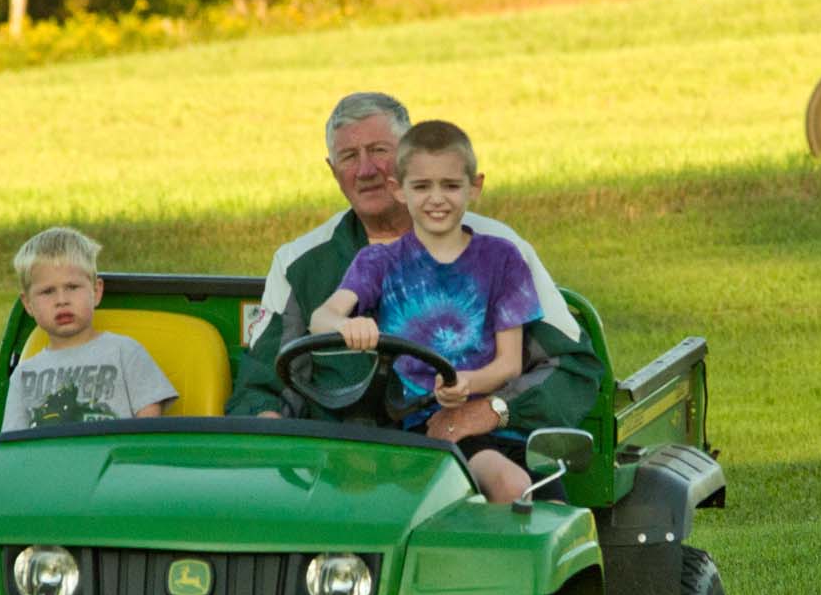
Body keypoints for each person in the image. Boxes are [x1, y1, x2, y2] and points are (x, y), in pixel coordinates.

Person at [224, 92, 599, 440]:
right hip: (336, 463)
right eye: (349, 156)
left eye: (379, 151)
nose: (365, 170)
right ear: (332, 169)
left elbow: (572, 369)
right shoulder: (300, 262)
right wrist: (269, 432)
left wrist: (486, 412)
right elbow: (262, 389)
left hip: (461, 455)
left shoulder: (499, 251)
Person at [311, 120, 538, 502]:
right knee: (509, 485)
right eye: (421, 187)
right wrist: (347, 325)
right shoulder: (379, 262)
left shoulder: (502, 258)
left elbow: (509, 364)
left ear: (475, 186)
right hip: (419, 426)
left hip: (491, 420)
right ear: (398, 189)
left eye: (450, 186)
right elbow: (322, 317)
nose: (437, 199)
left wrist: (467, 383)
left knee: (548, 500)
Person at [1, 227, 176, 426]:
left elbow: (149, 427)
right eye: (48, 291)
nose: (62, 300)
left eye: (72, 287)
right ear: (28, 304)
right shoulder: (23, 375)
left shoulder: (126, 353)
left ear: (96, 291)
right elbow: (14, 441)